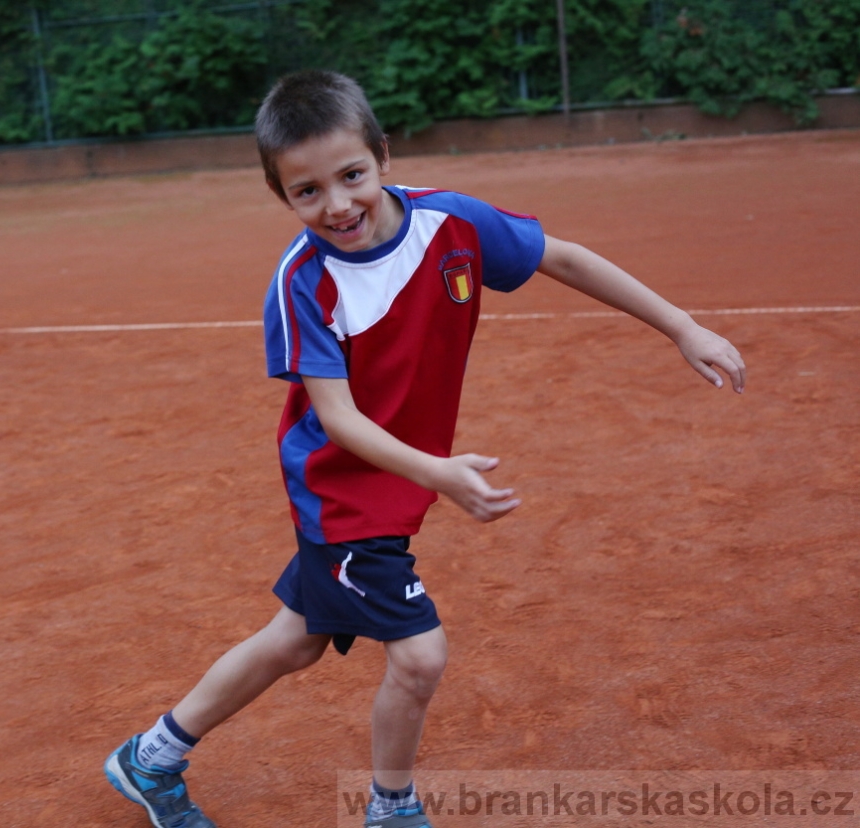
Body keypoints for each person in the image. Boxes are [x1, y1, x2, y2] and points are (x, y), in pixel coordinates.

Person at [104, 70, 746, 828]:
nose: (337, 204)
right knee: (419, 656)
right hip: (345, 492)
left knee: (296, 640)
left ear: (382, 155)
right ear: (281, 196)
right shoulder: (302, 282)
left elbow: (562, 257)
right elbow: (337, 419)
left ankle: (151, 758)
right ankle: (392, 809)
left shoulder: (450, 224)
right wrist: (438, 473)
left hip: (395, 482)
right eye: (307, 191)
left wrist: (681, 325)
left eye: (351, 176)